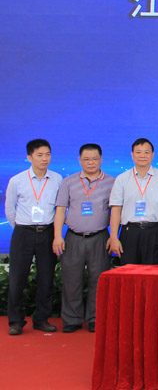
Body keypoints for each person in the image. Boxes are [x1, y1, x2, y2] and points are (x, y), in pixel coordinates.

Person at [53, 143, 114, 333]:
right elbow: (61, 209)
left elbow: (116, 212)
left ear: (101, 159)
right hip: (73, 237)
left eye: (94, 159)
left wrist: (114, 236)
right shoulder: (68, 182)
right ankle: (72, 319)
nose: (91, 162)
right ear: (79, 160)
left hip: (100, 237)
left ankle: (95, 318)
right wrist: (57, 236)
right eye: (86, 159)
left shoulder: (112, 182)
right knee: (71, 280)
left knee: (99, 280)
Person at [5, 139, 62, 336]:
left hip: (47, 233)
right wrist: (22, 228)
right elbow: (10, 210)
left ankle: (41, 319)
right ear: (29, 157)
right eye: (39, 155)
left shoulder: (57, 179)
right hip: (23, 233)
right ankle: (16, 321)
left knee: (46, 277)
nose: (44, 158)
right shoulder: (17, 180)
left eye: (47, 154)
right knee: (17, 278)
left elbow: (59, 208)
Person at [108, 138, 158, 265]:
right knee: (129, 271)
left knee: (152, 272)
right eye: (138, 152)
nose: (142, 156)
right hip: (129, 232)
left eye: (146, 152)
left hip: (154, 232)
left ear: (152, 155)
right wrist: (113, 237)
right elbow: (116, 210)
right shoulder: (122, 179)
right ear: (132, 155)